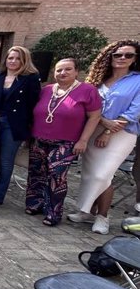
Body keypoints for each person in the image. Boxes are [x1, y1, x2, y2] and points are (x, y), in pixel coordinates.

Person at [68, 40, 140, 234]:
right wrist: (102, 124)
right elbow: (88, 107)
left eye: (128, 55)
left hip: (121, 133)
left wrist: (108, 131)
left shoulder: (137, 80)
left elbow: (135, 111)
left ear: (135, 59)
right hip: (94, 130)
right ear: (110, 57)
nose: (122, 58)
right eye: (118, 55)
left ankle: (103, 217)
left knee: (103, 176)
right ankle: (87, 211)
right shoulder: (98, 79)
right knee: (89, 174)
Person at [26, 58, 101, 226]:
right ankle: (35, 203)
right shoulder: (46, 90)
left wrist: (83, 140)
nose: (63, 73)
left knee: (57, 175)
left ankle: (54, 211)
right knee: (36, 173)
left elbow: (94, 117)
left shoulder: (87, 91)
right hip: (39, 139)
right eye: (59, 70)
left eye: (67, 69)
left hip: (65, 142)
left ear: (76, 71)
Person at [0, 46, 41, 207]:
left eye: (17, 58)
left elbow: (33, 105)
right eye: (10, 58)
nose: (13, 61)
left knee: (5, 162)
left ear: (24, 60)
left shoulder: (30, 78)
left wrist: (29, 132)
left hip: (13, 125)